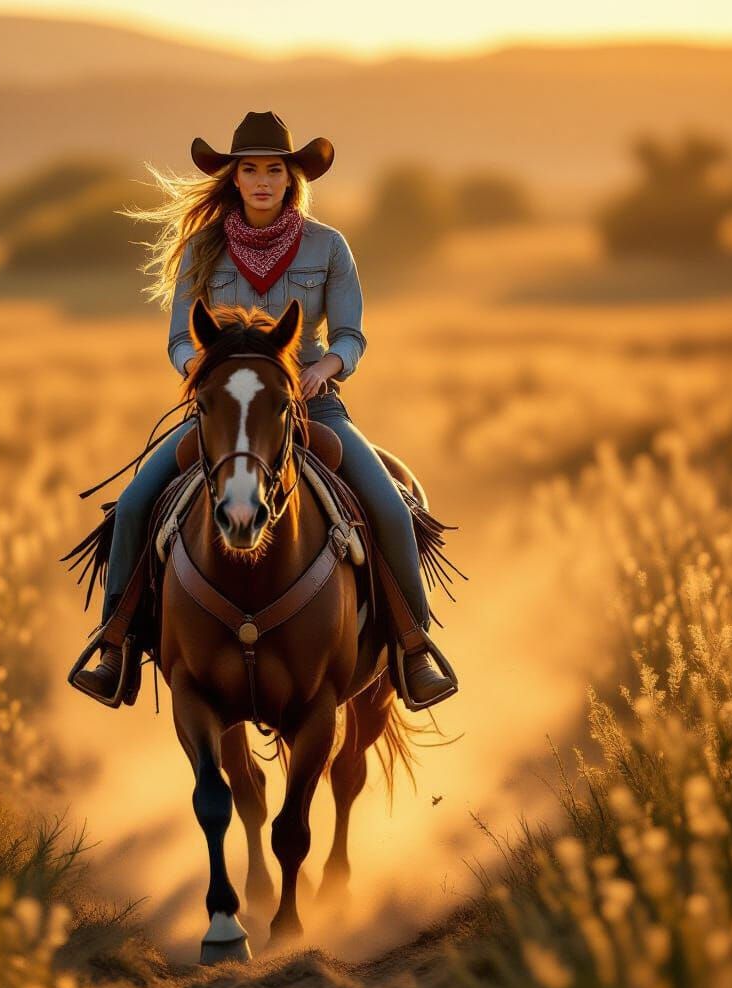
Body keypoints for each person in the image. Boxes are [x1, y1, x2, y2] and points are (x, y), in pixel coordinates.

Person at [73, 110, 456, 710]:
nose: (260, 180)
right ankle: (115, 647)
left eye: (273, 170)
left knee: (390, 506)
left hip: (313, 409)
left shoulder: (329, 247)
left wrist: (321, 370)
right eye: (248, 169)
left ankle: (413, 649)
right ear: (232, 177)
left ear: (291, 178)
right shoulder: (203, 249)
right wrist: (207, 378)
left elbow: (351, 335)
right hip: (225, 411)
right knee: (133, 506)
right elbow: (180, 337)